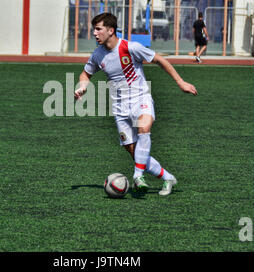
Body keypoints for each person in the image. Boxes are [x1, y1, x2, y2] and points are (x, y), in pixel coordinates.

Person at [74, 13, 198, 196]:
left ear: (110, 30)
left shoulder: (131, 47)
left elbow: (159, 60)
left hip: (141, 99)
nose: (94, 33)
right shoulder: (98, 54)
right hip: (119, 108)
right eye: (94, 29)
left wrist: (180, 82)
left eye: (98, 29)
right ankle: (167, 177)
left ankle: (138, 176)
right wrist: (83, 86)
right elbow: (86, 74)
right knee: (136, 153)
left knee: (144, 126)